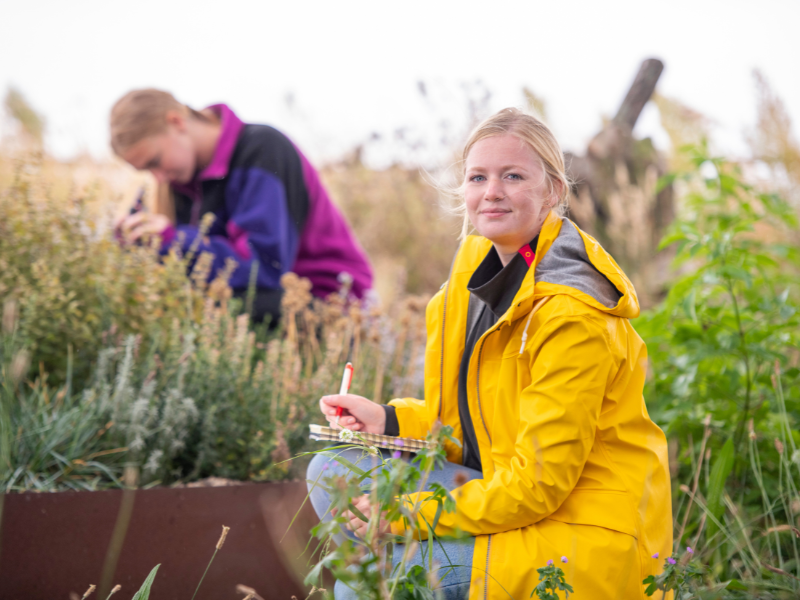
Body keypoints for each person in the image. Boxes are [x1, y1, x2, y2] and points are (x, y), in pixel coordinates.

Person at [307, 108, 673, 599]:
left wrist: (406, 516)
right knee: (331, 472)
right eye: (478, 177)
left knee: (383, 577)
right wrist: (389, 422)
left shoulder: (572, 312)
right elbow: (468, 429)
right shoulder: (473, 275)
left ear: (554, 191)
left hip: (577, 532)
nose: (491, 191)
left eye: (513, 176)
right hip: (503, 489)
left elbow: (539, 486)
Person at [110, 89, 373, 323]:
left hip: (332, 305)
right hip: (265, 305)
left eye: (155, 161)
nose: (156, 176)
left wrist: (172, 243)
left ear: (176, 122)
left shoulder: (263, 150)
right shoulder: (174, 177)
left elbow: (262, 270)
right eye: (145, 170)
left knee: (201, 312)